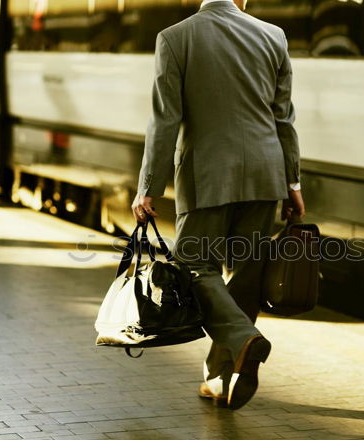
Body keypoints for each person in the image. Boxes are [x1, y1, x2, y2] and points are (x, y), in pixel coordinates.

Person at [131, 0, 305, 410]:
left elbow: (164, 121)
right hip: (266, 173)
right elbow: (283, 119)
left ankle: (244, 339)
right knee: (246, 273)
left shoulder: (175, 38)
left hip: (206, 173)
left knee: (192, 266)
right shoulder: (273, 35)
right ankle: (218, 377)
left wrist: (148, 187)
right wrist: (293, 180)